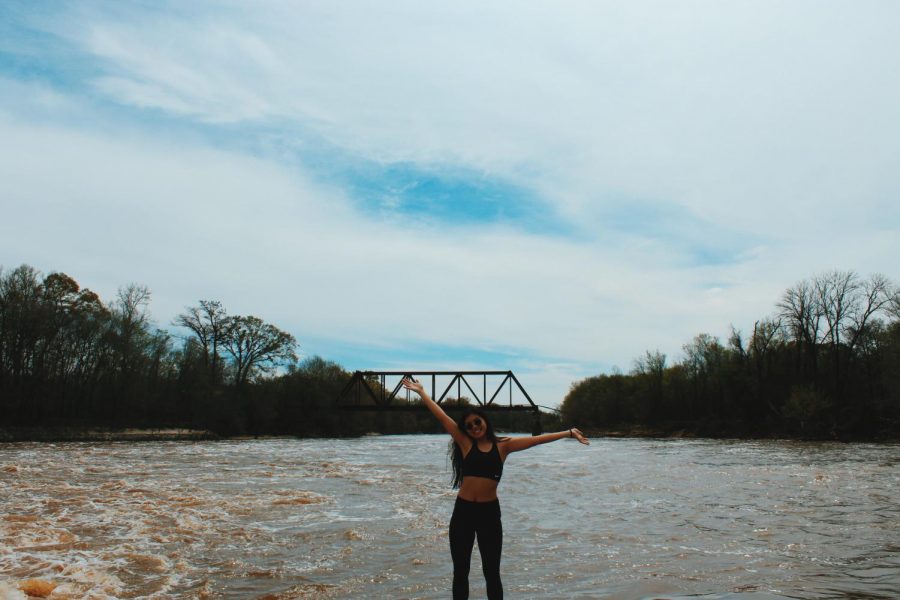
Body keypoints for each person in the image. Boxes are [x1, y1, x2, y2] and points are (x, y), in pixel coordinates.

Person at [401, 376, 589, 600]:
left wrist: (568, 433)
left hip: (489, 515)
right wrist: (422, 392)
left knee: (492, 573)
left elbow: (537, 440)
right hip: (463, 513)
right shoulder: (464, 442)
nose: (474, 427)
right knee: (461, 572)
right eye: (469, 425)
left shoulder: (504, 446)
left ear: (485, 422)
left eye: (477, 422)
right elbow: (442, 417)